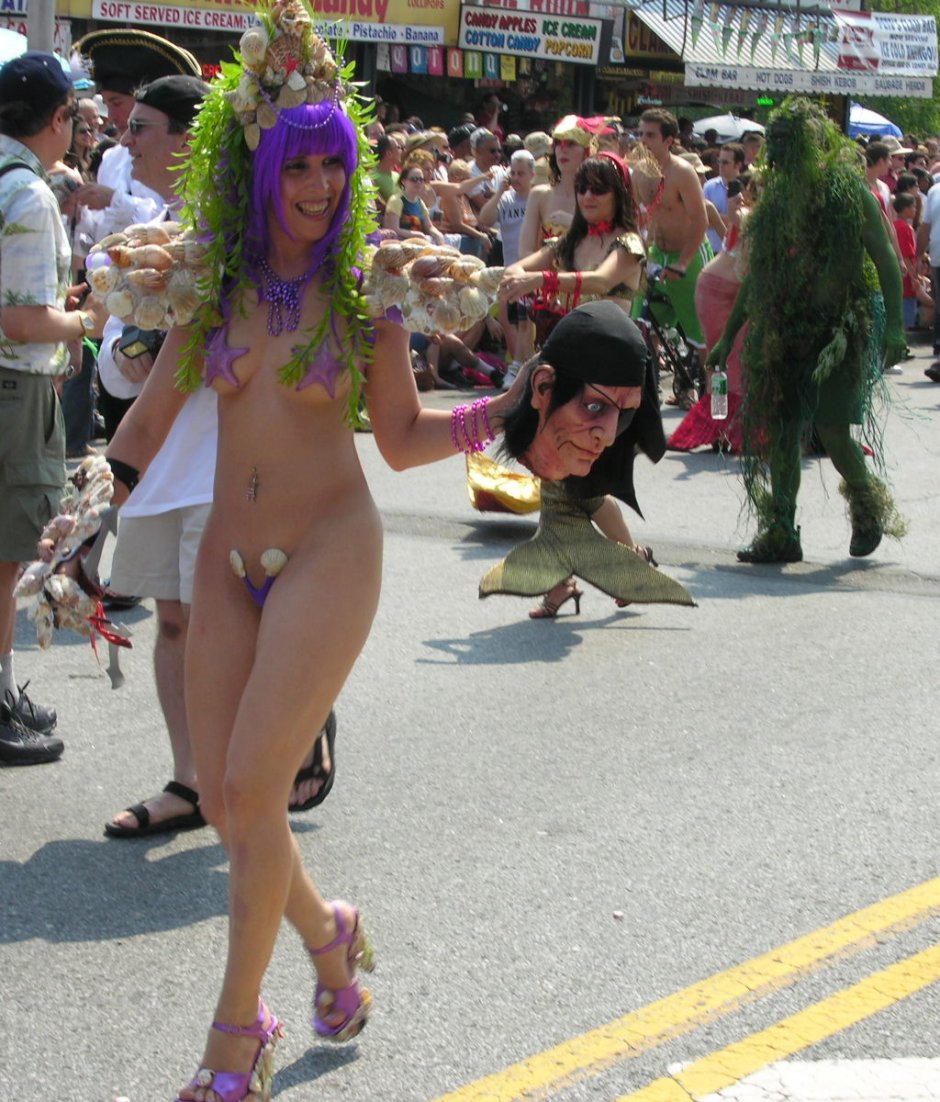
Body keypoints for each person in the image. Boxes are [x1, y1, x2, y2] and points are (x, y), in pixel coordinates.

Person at [95, 6, 521, 1096]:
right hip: (223, 555)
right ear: (260, 168)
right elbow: (146, 421)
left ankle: (235, 1035)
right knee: (240, 807)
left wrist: (502, 414)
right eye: (301, 165)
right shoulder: (211, 280)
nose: (322, 185)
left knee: (247, 780)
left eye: (336, 164)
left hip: (330, 551)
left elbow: (405, 435)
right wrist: (91, 499)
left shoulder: (366, 291)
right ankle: (328, 933)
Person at [709, 98, 907, 564]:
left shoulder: (849, 194)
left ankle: (866, 506)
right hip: (786, 329)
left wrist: (895, 327)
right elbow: (757, 275)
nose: (775, 153)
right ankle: (781, 529)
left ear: (814, 145)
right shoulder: (775, 201)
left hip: (841, 328)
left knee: (833, 431)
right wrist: (727, 336)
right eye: (772, 143)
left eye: (786, 142)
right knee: (781, 429)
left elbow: (885, 260)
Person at [0, 54, 107, 765]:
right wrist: (86, 321)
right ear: (59, 119)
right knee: (7, 559)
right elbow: (23, 323)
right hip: (14, 388)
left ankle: (3, 689)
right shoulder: (30, 196)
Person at [478, 301, 694, 615]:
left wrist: (546, 277)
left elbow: (608, 280)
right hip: (574, 377)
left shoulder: (623, 252)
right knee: (569, 493)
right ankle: (597, 573)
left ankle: (621, 566)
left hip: (600, 374)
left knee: (580, 494)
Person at [630, 107, 710, 348]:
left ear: (668, 141)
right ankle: (648, 382)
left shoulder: (682, 172)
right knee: (639, 325)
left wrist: (683, 262)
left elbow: (700, 220)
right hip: (657, 255)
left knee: (701, 336)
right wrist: (638, 252)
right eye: (641, 134)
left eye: (650, 135)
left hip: (689, 255)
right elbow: (636, 218)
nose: (643, 140)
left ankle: (706, 384)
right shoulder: (639, 173)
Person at [477, 148, 535, 385]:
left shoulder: (538, 198)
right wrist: (500, 190)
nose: (517, 178)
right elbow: (484, 220)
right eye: (514, 172)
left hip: (533, 270)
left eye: (522, 173)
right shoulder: (507, 199)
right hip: (512, 268)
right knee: (519, 321)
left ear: (532, 174)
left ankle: (521, 368)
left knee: (527, 321)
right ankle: (521, 367)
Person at [518, 115, 592, 257]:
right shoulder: (539, 195)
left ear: (586, 151)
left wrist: (573, 224)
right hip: (543, 276)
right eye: (558, 143)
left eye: (571, 143)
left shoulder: (598, 197)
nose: (562, 149)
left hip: (583, 277)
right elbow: (524, 252)